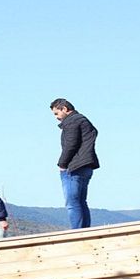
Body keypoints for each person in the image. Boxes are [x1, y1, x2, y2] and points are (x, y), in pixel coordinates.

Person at [50, 98, 100, 229]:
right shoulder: (83, 120)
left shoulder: (72, 121)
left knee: (72, 202)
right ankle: (84, 230)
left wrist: (62, 164)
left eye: (57, 113)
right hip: (86, 165)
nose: (56, 117)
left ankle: (77, 232)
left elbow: (71, 145)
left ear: (64, 109)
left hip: (74, 166)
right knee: (81, 201)